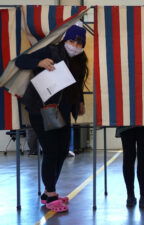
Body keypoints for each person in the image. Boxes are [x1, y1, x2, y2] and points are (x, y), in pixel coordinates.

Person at [15, 22, 88, 212]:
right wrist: (38, 62)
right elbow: (20, 61)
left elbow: (77, 85)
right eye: (72, 40)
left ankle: (49, 193)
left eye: (80, 43)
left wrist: (80, 101)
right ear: (65, 39)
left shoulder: (80, 60)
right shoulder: (51, 51)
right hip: (42, 109)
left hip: (61, 112)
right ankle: (51, 194)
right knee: (50, 151)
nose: (75, 45)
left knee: (62, 151)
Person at [115, 126, 144, 208]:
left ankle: (130, 197)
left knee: (128, 157)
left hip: (126, 124)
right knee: (143, 157)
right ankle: (143, 197)